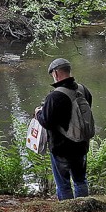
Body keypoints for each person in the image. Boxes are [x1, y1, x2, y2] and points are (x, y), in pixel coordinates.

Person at [34, 58, 92, 200]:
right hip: (81, 144)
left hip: (61, 148)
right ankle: (84, 209)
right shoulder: (83, 90)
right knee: (80, 180)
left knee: (63, 184)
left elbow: (46, 122)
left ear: (55, 73)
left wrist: (38, 113)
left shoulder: (55, 96)